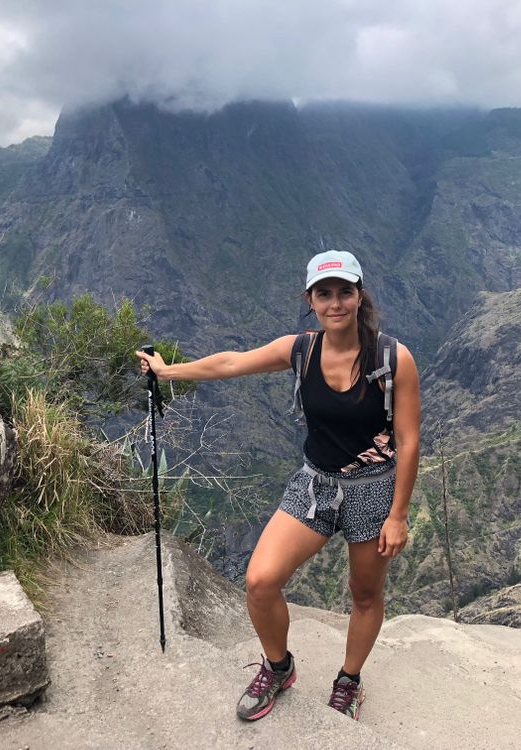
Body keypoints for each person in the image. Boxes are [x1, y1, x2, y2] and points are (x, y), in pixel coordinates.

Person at [136, 249, 421, 722]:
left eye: (344, 292)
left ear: (359, 296)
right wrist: (167, 372)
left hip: (374, 489)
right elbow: (231, 363)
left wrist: (398, 515)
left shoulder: (393, 359)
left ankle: (348, 682)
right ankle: (278, 666)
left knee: (365, 594)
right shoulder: (301, 350)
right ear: (310, 300)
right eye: (324, 294)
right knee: (261, 581)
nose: (335, 303)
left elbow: (409, 441)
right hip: (316, 484)